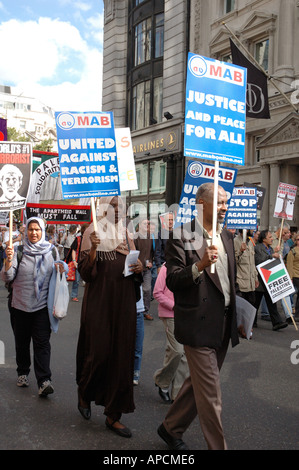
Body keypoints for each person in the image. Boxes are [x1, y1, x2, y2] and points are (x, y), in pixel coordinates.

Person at [157, 183, 245, 451]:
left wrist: (241, 316)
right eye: (219, 202)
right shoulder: (181, 235)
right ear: (201, 203)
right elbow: (173, 279)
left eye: (226, 202)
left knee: (198, 387)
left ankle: (170, 428)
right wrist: (200, 265)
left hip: (224, 324)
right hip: (197, 326)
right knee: (211, 395)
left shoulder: (228, 237)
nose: (225, 207)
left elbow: (231, 284)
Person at [76, 196, 143, 438]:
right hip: (100, 303)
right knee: (99, 352)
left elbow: (135, 266)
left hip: (124, 304)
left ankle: (113, 415)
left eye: (121, 206)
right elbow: (86, 273)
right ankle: (84, 393)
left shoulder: (127, 233)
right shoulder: (91, 232)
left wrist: (139, 269)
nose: (117, 210)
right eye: (113, 205)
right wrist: (94, 247)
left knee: (121, 356)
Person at [1, 217, 67, 395]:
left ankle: (44, 380)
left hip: (42, 307)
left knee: (42, 343)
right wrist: (7, 261)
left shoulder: (52, 251)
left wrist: (62, 269)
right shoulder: (18, 250)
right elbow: (7, 277)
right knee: (21, 343)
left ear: (43, 231)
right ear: (26, 232)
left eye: (37, 229)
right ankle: (23, 373)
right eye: (30, 229)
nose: (34, 232)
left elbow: (59, 271)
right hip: (19, 305)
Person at [153, 263, 189, 403]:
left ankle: (177, 394)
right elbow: (157, 292)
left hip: (187, 315)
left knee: (186, 354)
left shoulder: (192, 266)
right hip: (170, 314)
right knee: (177, 351)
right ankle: (161, 380)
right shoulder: (167, 266)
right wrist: (175, 306)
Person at [253, 230, 288, 331]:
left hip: (269, 280)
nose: (272, 239)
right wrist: (271, 256)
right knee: (255, 303)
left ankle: (277, 322)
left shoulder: (271, 249)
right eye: (270, 237)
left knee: (272, 302)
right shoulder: (258, 248)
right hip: (260, 280)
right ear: (264, 239)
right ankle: (252, 321)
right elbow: (258, 261)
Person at [134, 218, 155, 321]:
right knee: (136, 289)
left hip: (146, 268)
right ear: (139, 225)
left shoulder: (150, 237)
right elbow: (133, 251)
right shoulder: (135, 237)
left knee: (147, 289)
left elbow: (151, 252)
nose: (147, 225)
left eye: (148, 223)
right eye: (145, 223)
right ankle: (136, 310)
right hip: (137, 268)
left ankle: (145, 311)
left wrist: (151, 261)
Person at [234, 229, 259, 306]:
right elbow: (234, 261)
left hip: (251, 284)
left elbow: (252, 262)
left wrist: (255, 278)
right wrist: (241, 251)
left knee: (251, 307)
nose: (253, 230)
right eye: (251, 228)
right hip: (241, 284)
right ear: (246, 229)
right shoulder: (235, 241)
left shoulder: (250, 241)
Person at [69, 223, 89, 302]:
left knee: (88, 281)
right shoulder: (78, 239)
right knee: (76, 280)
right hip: (78, 262)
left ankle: (87, 296)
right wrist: (74, 261)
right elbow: (73, 250)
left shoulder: (91, 239)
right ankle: (74, 295)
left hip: (87, 262)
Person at [286, 233, 299, 322]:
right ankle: (290, 313)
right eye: (298, 239)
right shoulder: (293, 251)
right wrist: (290, 277)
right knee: (290, 294)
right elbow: (289, 265)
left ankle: (297, 314)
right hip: (295, 275)